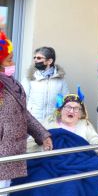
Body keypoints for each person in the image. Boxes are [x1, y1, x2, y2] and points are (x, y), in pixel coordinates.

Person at [27, 89, 98, 195]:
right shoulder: (48, 122)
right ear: (60, 109)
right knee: (38, 180)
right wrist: (43, 148)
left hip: (75, 166)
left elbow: (96, 147)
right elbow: (29, 145)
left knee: (71, 185)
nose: (71, 111)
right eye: (68, 107)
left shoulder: (85, 125)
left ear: (80, 113)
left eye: (76, 108)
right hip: (48, 164)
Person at [0, 31, 53, 192]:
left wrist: (42, 135)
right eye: (9, 60)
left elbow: (23, 115)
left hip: (9, 154)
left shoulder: (12, 83)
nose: (13, 63)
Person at [23, 47, 69, 123]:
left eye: (39, 58)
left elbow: (66, 101)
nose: (35, 60)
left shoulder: (60, 80)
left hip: (52, 122)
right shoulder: (30, 77)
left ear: (49, 61)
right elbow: (22, 99)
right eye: (34, 57)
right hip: (33, 122)